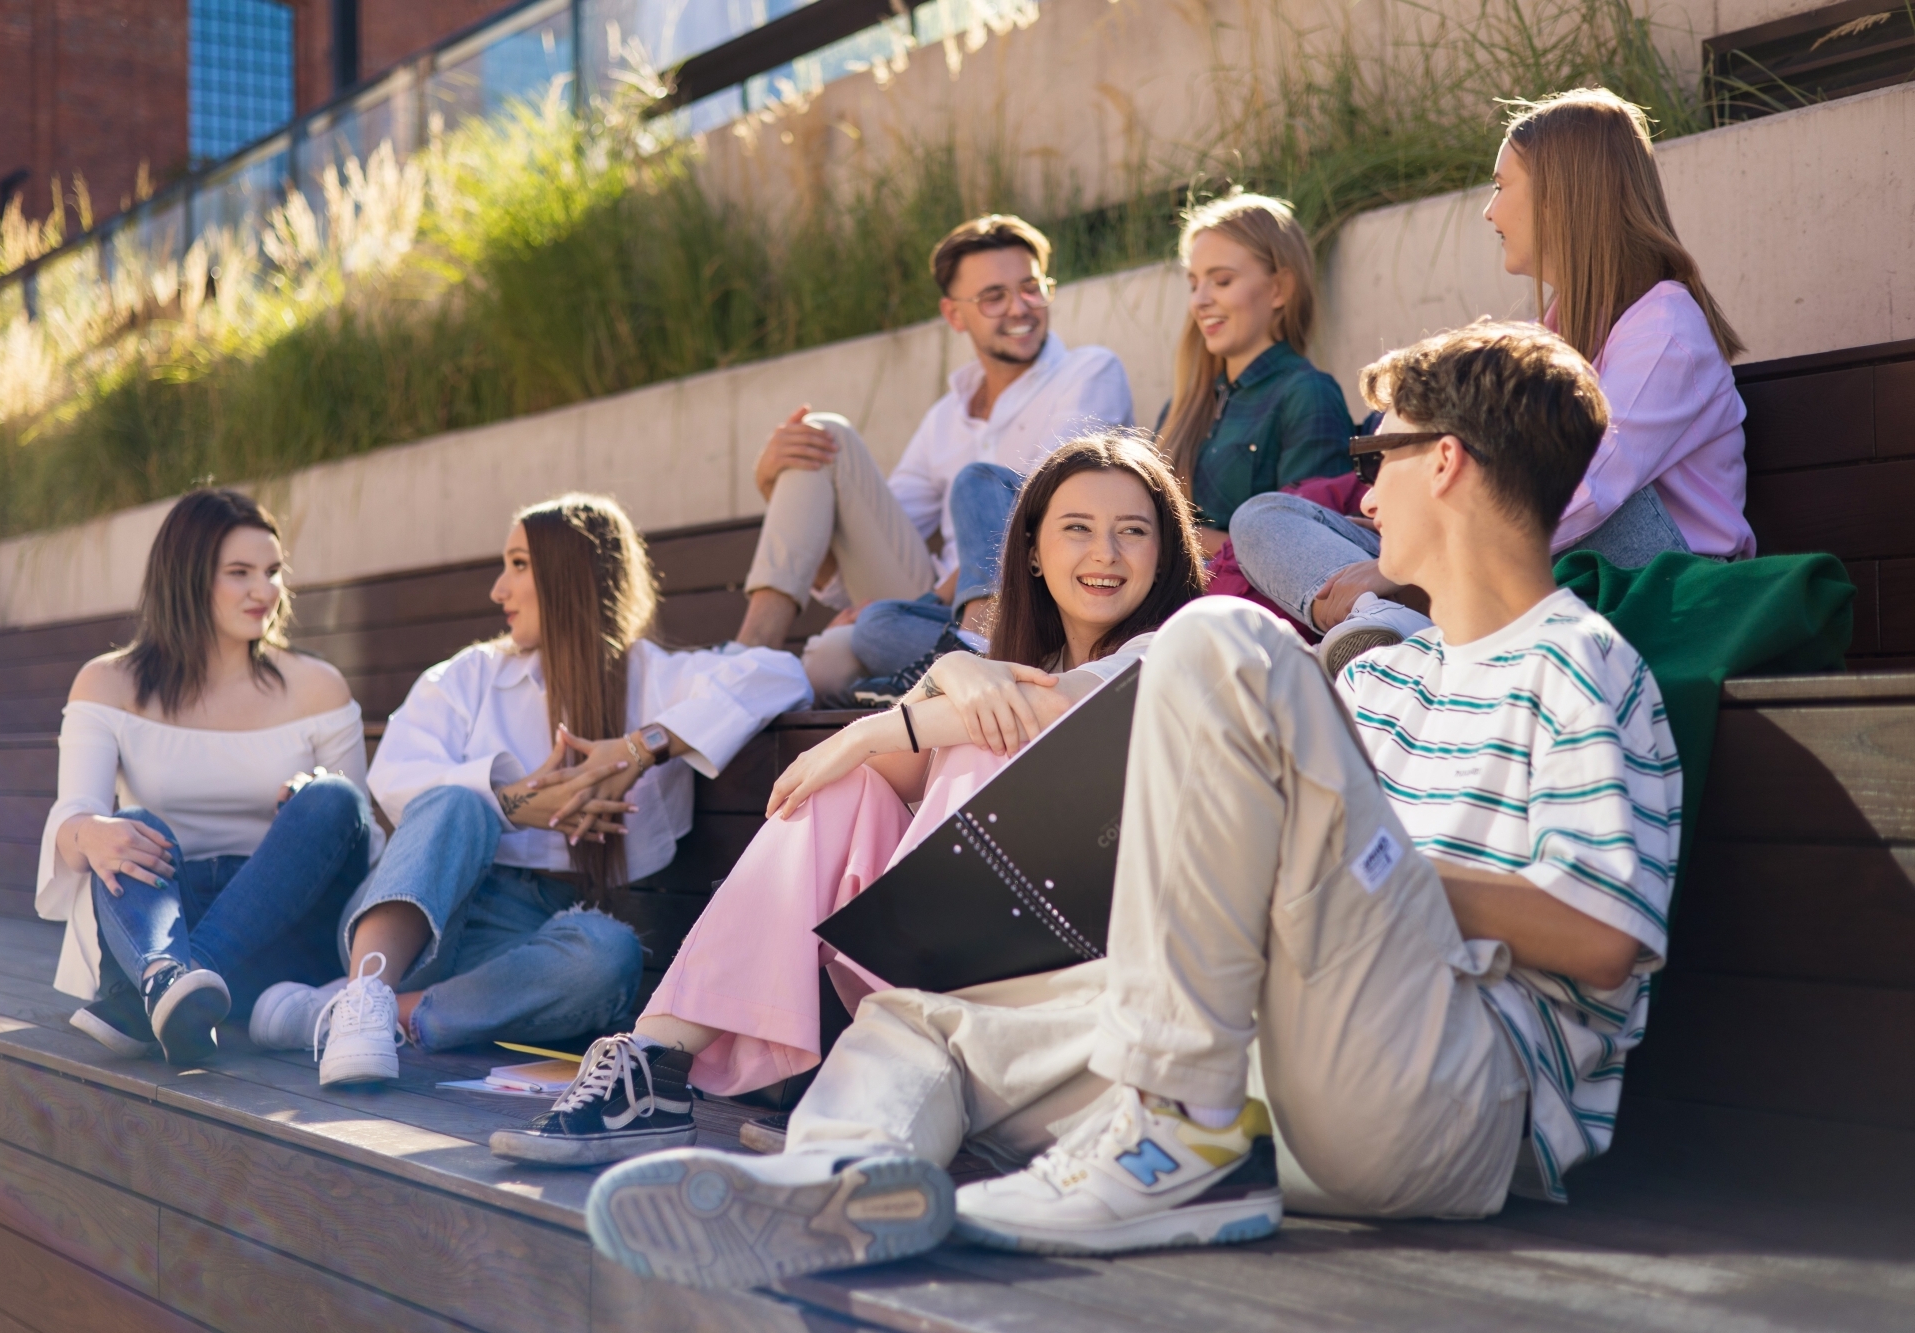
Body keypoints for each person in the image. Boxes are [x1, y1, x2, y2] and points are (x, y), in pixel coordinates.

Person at [581, 322, 1681, 1291]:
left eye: (1376, 456)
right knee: (916, 1019)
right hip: (1281, 1052)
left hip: (1455, 1094)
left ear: (1442, 463)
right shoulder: (1386, 676)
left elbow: (1599, 940)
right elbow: (1309, 882)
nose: (1364, 493)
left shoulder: (1575, 664)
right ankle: (840, 1186)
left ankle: (1177, 1140)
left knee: (1220, 636)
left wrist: (1320, 855)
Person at [484, 432, 1206, 1167]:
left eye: (1133, 532)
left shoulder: (1178, 645)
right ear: (1030, 550)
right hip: (966, 938)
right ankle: (656, 1063)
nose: (1105, 554)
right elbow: (946, 735)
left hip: (1076, 941)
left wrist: (877, 726)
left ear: (1165, 550)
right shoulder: (1001, 668)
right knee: (844, 790)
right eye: (1077, 528)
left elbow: (1058, 710)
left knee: (963, 740)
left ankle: (875, 1082)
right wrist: (945, 676)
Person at [247, 493, 813, 1086]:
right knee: (457, 802)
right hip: (427, 913)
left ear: (575, 575)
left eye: (519, 565)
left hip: (530, 939)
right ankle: (367, 995)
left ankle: (355, 1014)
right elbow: (394, 777)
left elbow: (778, 672)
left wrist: (639, 748)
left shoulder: (654, 676)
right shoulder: (471, 676)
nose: (499, 589)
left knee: (609, 956)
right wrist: (511, 803)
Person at [1233, 86, 1751, 673]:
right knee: (1265, 519)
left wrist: (1399, 561)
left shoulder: (1666, 328)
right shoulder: (1550, 332)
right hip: (1530, 565)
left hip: (1650, 578)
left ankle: (1403, 617)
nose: (1490, 211)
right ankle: (1388, 624)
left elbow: (1584, 492)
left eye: (1502, 186)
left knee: (1564, 488)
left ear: (1560, 196)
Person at [37, 489, 379, 1066]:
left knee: (333, 797)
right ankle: (172, 981)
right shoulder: (107, 682)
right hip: (160, 916)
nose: (265, 590)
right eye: (240, 572)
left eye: (272, 572)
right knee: (129, 824)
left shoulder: (318, 686)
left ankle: (169, 990)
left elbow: (363, 839)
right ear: (187, 577)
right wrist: (88, 833)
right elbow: (76, 816)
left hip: (284, 932)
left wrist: (307, 805)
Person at [732, 214, 1134, 698]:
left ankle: (964, 653)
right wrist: (771, 485)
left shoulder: (1088, 372)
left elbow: (1039, 518)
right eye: (993, 297)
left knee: (832, 660)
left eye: (1030, 288)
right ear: (954, 315)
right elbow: (876, 542)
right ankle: (750, 654)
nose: (1019, 308)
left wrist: (923, 602)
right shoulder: (944, 418)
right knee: (819, 439)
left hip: (1033, 607)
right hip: (940, 615)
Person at [1152, 191, 1353, 558]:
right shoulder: (1180, 406)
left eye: (1222, 281)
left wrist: (1178, 538)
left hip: (1256, 613)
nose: (1199, 301)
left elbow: (1309, 552)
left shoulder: (1308, 395)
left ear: (1279, 289)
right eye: (1194, 283)